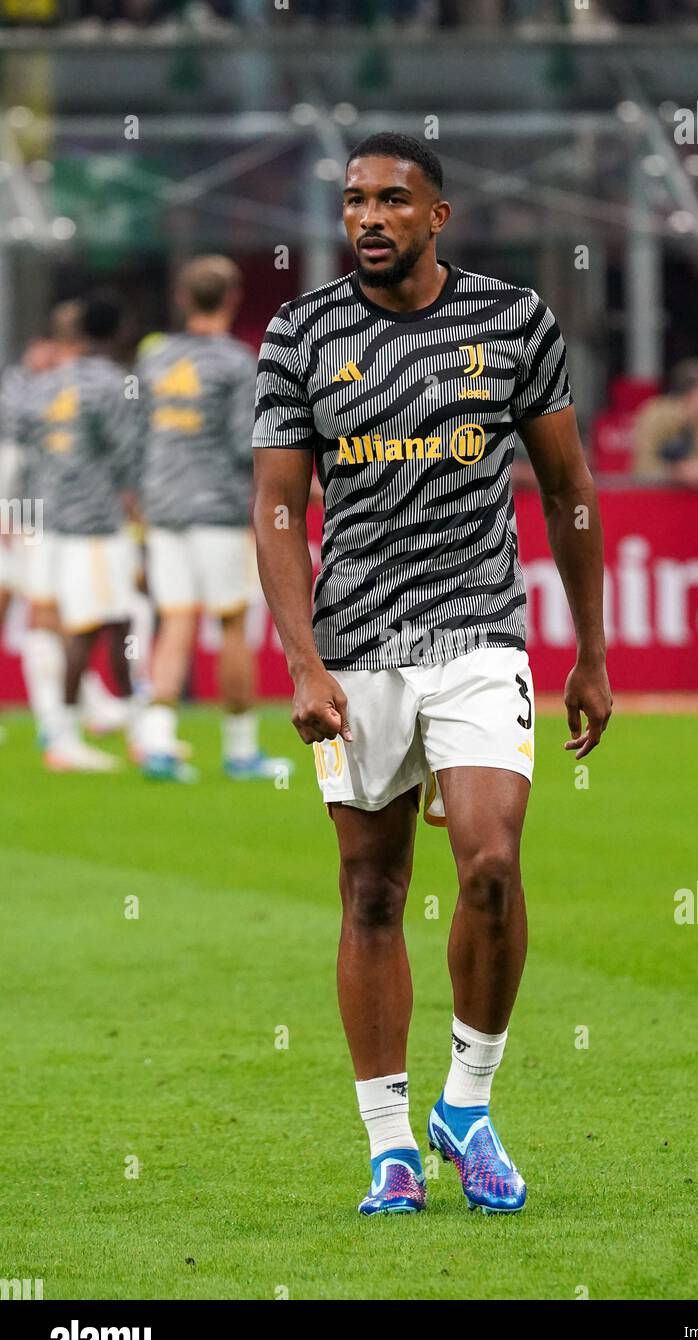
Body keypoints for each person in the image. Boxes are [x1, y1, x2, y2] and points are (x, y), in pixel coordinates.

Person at [252, 131, 611, 1215]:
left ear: (436, 216)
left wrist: (591, 650)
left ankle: (467, 1099)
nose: (369, 217)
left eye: (393, 200)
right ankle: (387, 1147)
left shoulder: (512, 321)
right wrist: (303, 660)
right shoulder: (299, 333)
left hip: (478, 634)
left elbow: (567, 488)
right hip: (355, 648)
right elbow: (276, 509)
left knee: (490, 863)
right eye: (355, 200)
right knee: (372, 890)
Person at [135, 255, 288, 781]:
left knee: (175, 619)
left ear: (181, 298)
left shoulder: (154, 358)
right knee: (230, 623)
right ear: (232, 298)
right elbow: (240, 442)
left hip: (163, 504)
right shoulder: (236, 363)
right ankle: (241, 749)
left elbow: (138, 434)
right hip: (215, 508)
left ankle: (157, 742)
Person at [15, 298, 141, 771]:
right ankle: (70, 735)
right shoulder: (112, 386)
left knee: (55, 621)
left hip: (43, 519)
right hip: (91, 523)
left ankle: (82, 720)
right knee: (93, 625)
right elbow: (129, 456)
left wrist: (19, 513)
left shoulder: (43, 386)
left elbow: (26, 451)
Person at [633, 357, 698, 485]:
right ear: (694, 393)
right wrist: (673, 473)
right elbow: (642, 467)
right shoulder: (655, 415)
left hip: (694, 499)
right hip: (654, 497)